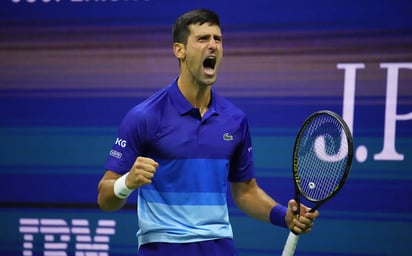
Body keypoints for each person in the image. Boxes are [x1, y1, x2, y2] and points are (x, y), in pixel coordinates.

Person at [97, 8, 319, 256]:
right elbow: (105, 198)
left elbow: (246, 191)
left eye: (218, 39)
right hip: (164, 247)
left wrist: (283, 216)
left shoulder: (235, 120)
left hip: (219, 247)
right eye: (203, 39)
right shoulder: (145, 116)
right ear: (179, 50)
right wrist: (127, 183)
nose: (213, 45)